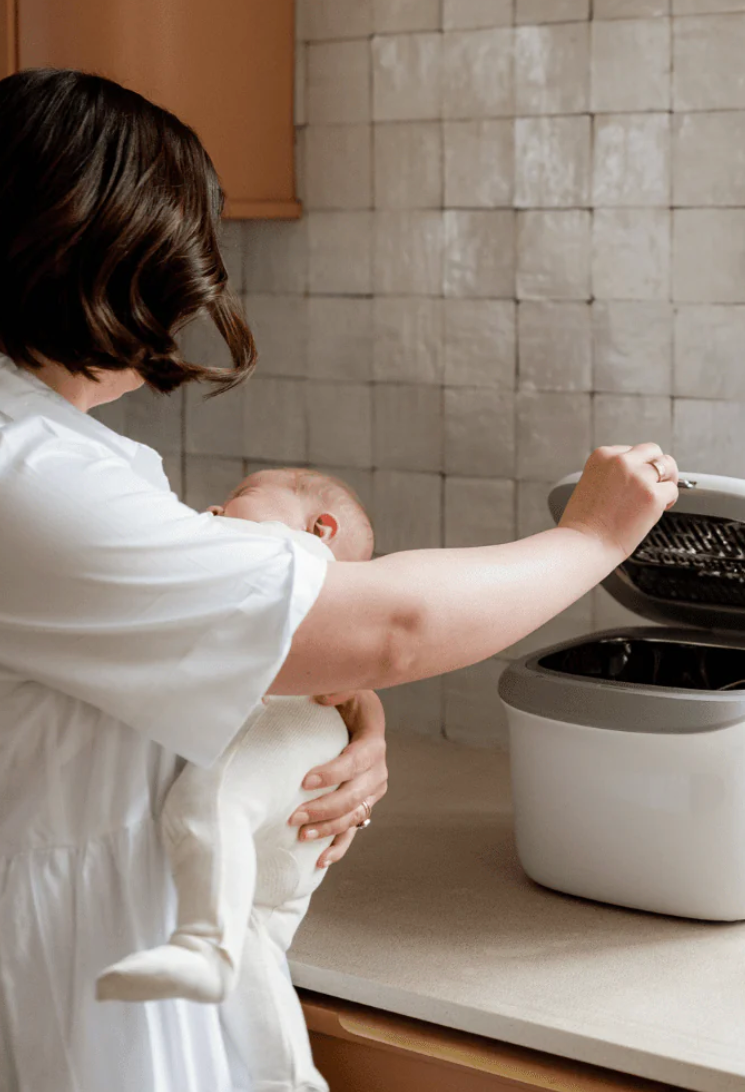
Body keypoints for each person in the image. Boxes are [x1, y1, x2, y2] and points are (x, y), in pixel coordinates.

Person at [0, 68, 680, 1092]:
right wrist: (592, 538)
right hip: (65, 978)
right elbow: (392, 623)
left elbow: (189, 649)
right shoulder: (28, 477)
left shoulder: (56, 458)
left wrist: (342, 708)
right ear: (90, 258)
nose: (180, 316)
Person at [97, 469, 378, 1092]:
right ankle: (289, 1078)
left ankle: (202, 943)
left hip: (283, 735)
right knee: (256, 938)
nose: (219, 506)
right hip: (291, 768)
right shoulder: (290, 562)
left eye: (245, 496)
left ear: (319, 527)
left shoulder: (294, 552)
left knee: (202, 810)